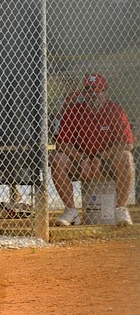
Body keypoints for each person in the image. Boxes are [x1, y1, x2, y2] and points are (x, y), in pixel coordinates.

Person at [51, 73, 134, 227]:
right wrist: (82, 158)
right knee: (58, 159)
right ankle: (71, 211)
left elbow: (126, 143)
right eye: (89, 92)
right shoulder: (74, 111)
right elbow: (61, 144)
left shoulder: (115, 110)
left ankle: (121, 209)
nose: (93, 96)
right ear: (84, 93)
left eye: (98, 91)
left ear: (105, 92)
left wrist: (100, 157)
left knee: (126, 157)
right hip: (81, 163)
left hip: (107, 161)